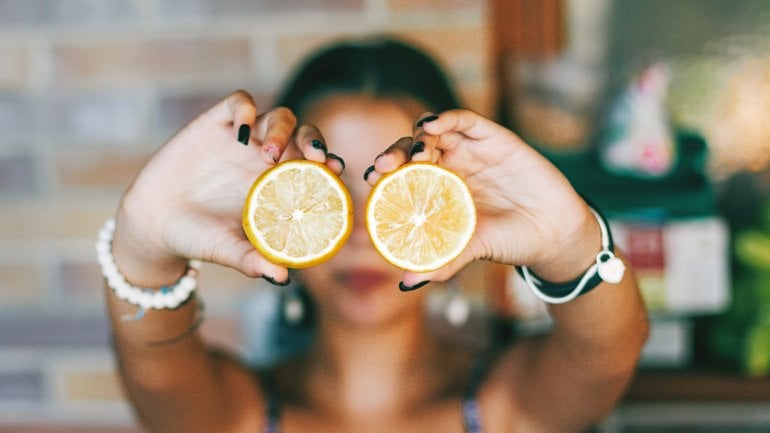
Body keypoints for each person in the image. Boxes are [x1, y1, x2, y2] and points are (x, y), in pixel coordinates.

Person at [101, 37, 648, 433]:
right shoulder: (234, 416)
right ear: (272, 202)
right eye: (328, 194)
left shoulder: (509, 407)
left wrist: (567, 241)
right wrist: (144, 245)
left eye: (397, 195)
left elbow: (608, 350)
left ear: (453, 200)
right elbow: (155, 373)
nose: (361, 232)